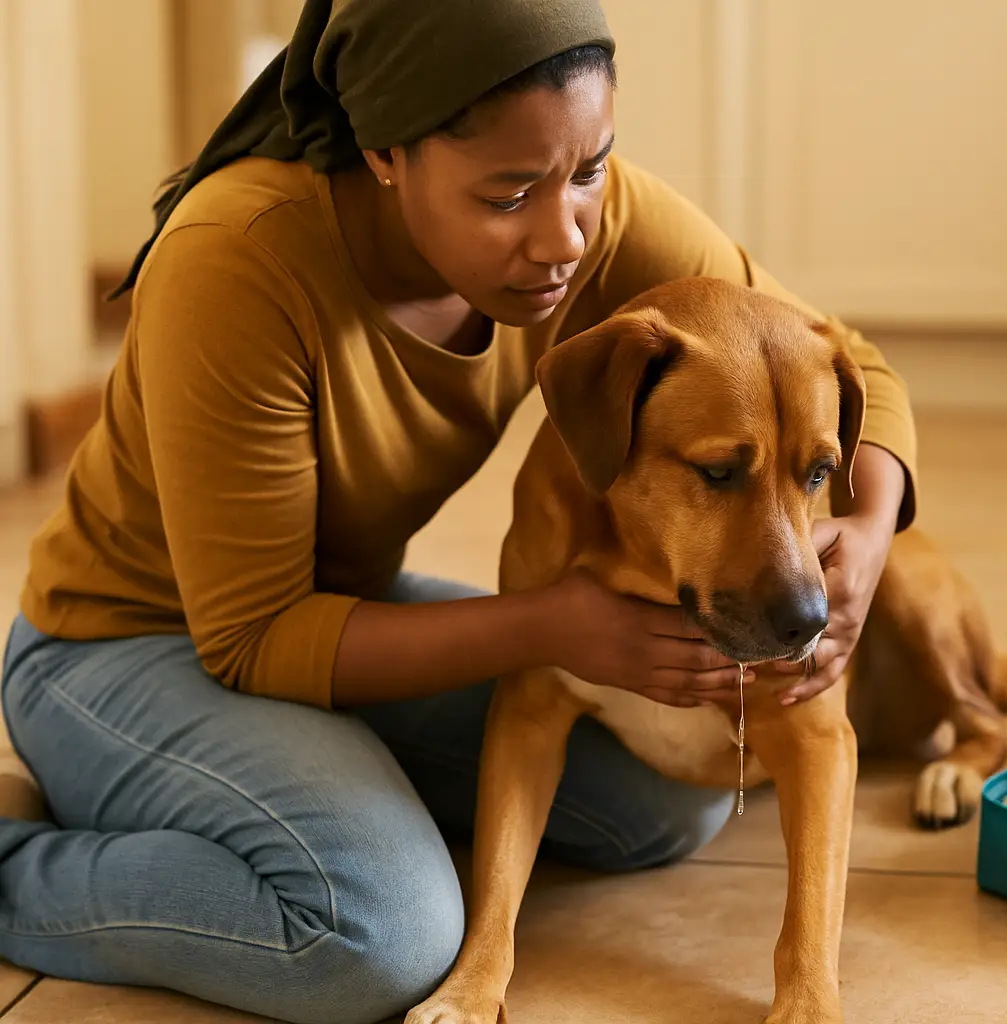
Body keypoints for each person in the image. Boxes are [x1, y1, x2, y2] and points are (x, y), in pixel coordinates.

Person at [0, 0, 918, 1021]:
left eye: (588, 169)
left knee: (659, 807)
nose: (564, 234)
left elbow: (848, 360)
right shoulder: (239, 261)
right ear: (387, 153)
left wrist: (868, 535)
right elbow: (250, 638)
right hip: (123, 648)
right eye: (511, 192)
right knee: (376, 934)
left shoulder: (586, 227)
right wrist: (557, 625)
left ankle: (281, 806)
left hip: (332, 612)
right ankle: (21, 864)